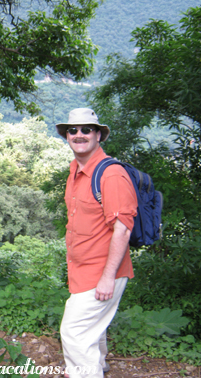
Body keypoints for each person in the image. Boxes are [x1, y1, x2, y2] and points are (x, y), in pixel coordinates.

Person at [55, 108, 138, 378]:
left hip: (103, 271)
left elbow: (123, 231)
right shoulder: (76, 171)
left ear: (98, 134)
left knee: (74, 331)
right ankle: (97, 366)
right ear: (67, 135)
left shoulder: (111, 175)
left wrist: (107, 277)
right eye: (73, 130)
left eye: (86, 129)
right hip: (83, 269)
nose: (79, 135)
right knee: (92, 327)